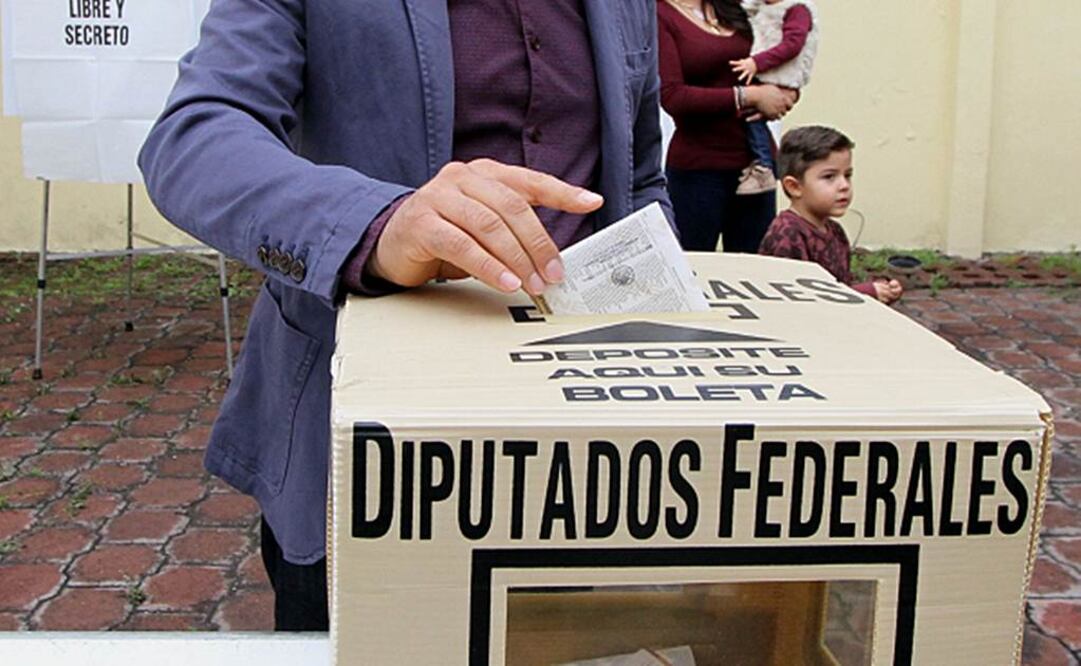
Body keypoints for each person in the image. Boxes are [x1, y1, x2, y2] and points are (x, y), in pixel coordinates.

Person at [138, 0, 671, 631]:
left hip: (579, 455)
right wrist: (376, 224)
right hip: (367, 447)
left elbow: (640, 179)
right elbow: (195, 138)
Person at [657, 0, 798, 254]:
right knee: (694, 270)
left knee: (757, 273)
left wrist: (787, 91)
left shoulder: (736, 6)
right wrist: (749, 96)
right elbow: (673, 96)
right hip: (698, 168)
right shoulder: (658, 14)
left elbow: (781, 46)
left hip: (757, 167)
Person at [758, 126, 903, 304]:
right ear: (794, 187)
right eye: (829, 177)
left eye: (847, 175)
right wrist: (864, 293)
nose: (844, 185)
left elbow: (840, 285)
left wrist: (880, 290)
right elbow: (795, 300)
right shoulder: (788, 234)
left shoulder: (835, 231)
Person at [729, 0, 819, 195]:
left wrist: (756, 63)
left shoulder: (797, 9)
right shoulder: (758, 7)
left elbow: (793, 44)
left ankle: (764, 165)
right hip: (768, 73)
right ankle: (764, 163)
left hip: (778, 75)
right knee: (751, 117)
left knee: (752, 118)